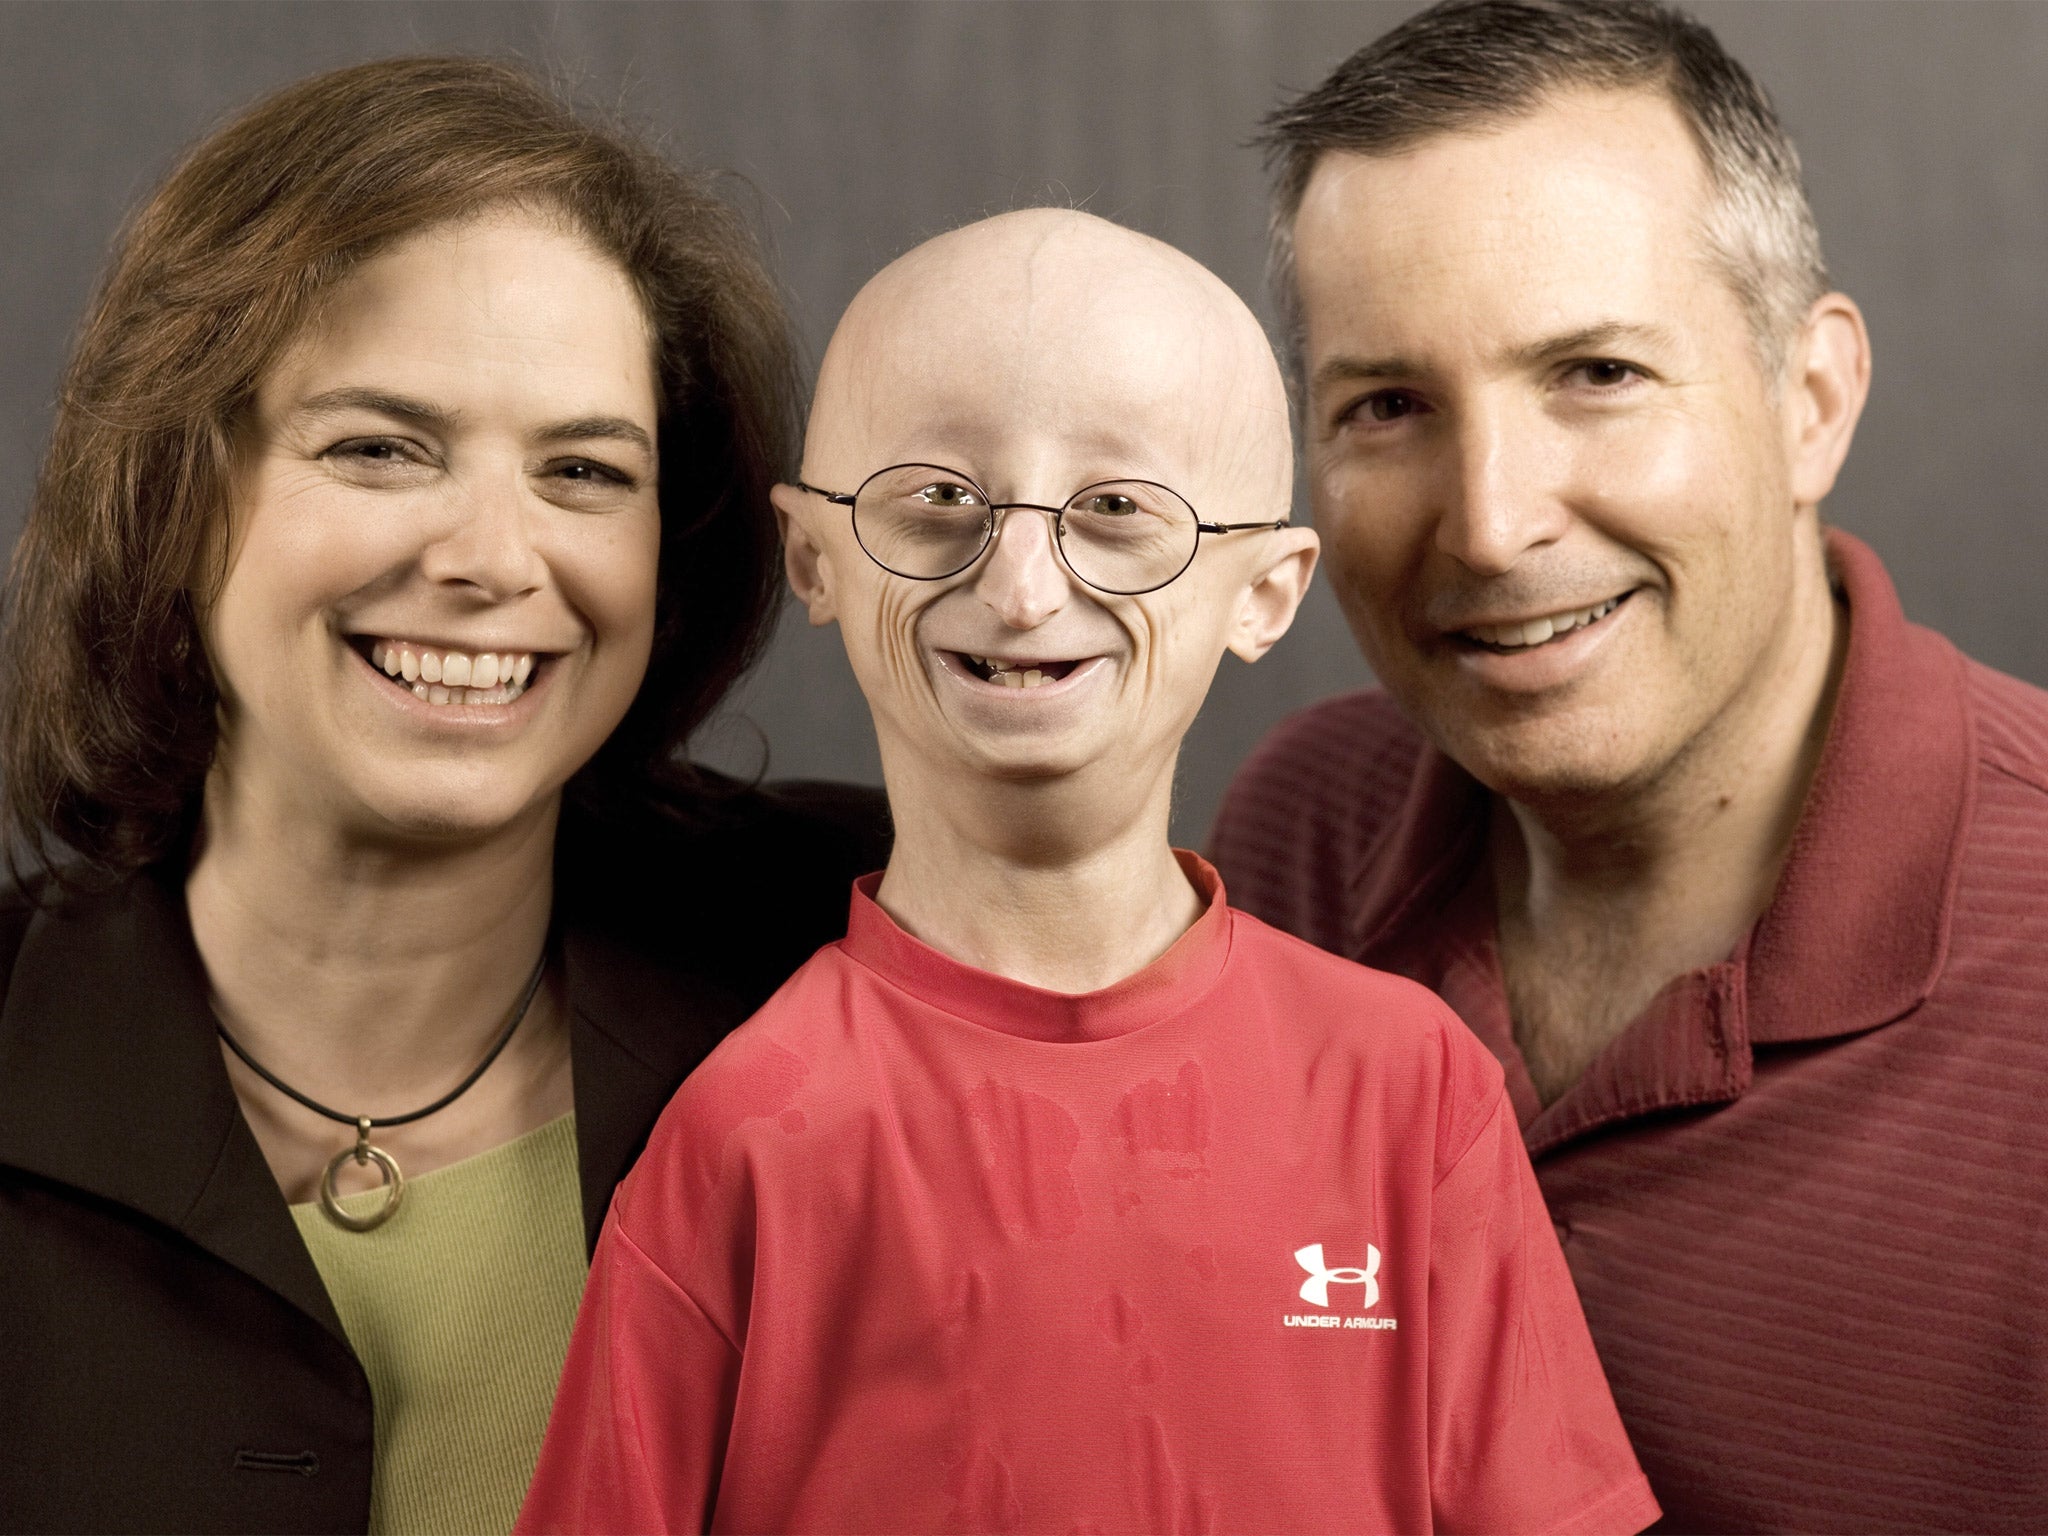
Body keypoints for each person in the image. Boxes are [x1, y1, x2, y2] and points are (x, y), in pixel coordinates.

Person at [516, 208, 1659, 1536]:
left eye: (1118, 511)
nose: (1019, 586)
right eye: (939, 502)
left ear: (1265, 592)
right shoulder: (743, 1137)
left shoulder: (1406, 1091)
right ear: (813, 558)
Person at [0, 57, 887, 1536]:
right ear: (176, 486)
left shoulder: (861, 949)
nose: (490, 558)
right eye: (378, 448)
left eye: (585, 472)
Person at [1209, 1, 2048, 1530]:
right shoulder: (1290, 846)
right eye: (1388, 406)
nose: (1490, 522)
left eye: (1594, 373)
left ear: (1812, 400)